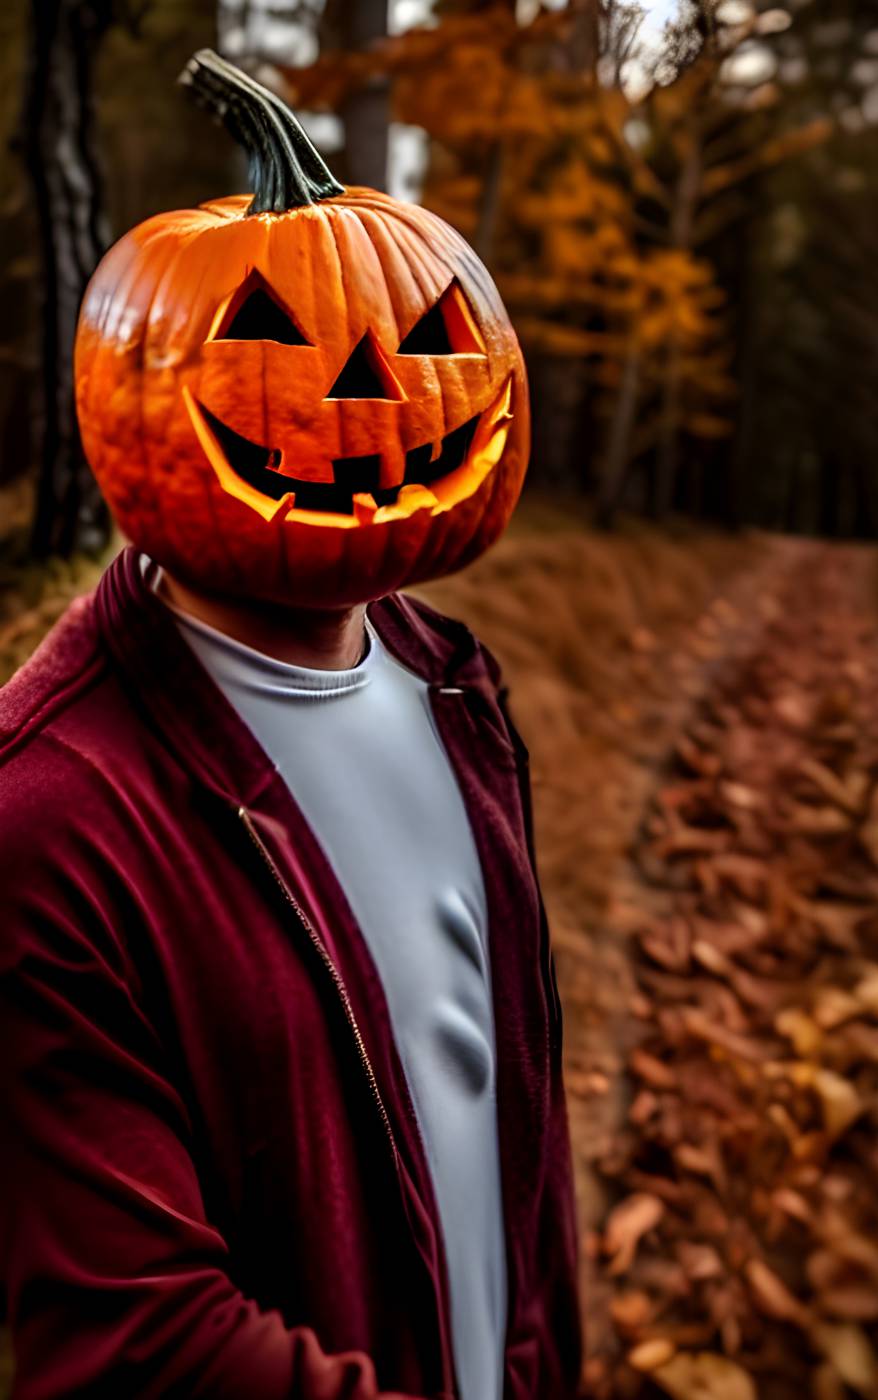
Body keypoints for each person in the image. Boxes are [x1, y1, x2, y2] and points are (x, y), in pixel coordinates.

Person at [0, 49, 581, 1400]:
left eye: (431, 342)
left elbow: (501, 1125)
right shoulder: (49, 824)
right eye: (267, 342)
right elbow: (133, 1345)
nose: (371, 396)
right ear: (130, 393)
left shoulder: (454, 688)